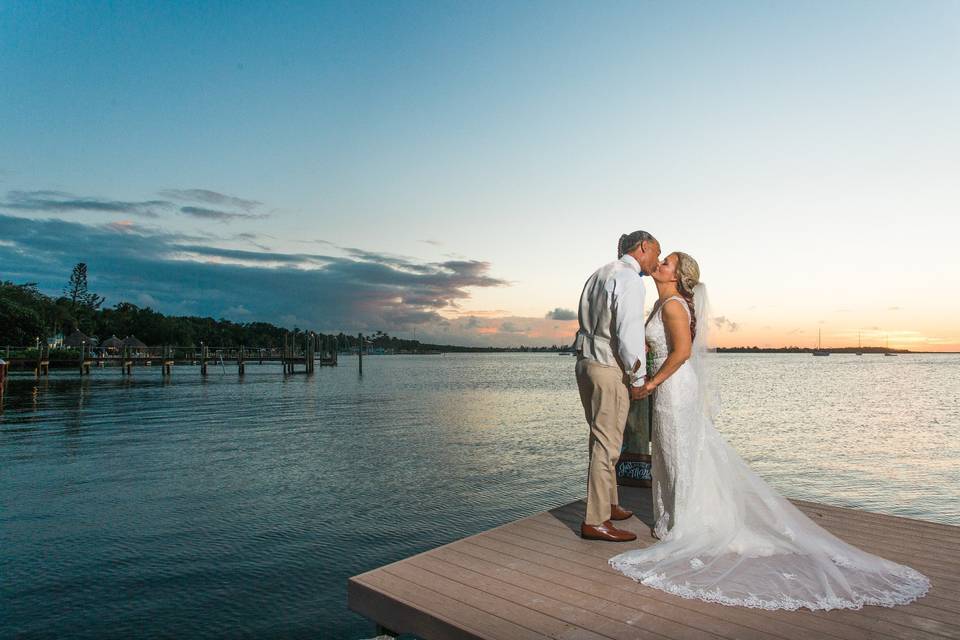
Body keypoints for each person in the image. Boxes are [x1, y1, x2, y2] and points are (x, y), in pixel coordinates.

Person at [608, 251, 930, 611]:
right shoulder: (664, 302)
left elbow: (681, 352)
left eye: (666, 262)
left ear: (677, 276)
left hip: (676, 388)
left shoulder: (672, 307)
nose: (660, 265)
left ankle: (682, 525)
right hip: (672, 387)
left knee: (679, 452)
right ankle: (671, 520)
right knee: (669, 454)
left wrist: (651, 385)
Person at [573, 230, 661, 542]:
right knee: (608, 444)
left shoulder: (599, 273)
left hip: (585, 364)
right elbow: (629, 331)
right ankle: (596, 521)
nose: (657, 262)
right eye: (656, 254)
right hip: (608, 367)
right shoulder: (630, 279)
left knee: (600, 436)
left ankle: (609, 503)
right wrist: (637, 378)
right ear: (644, 247)